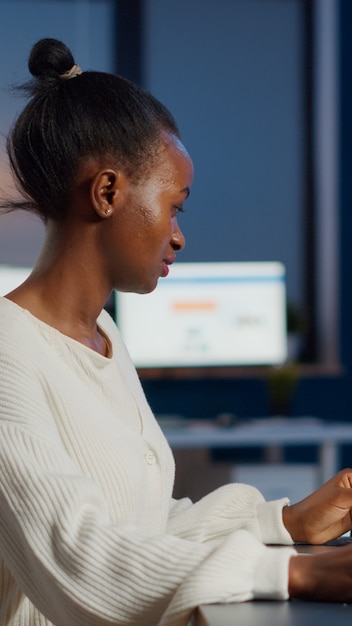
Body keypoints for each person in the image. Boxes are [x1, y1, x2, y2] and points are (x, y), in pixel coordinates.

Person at [1, 37, 352, 626]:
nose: (179, 236)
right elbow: (81, 555)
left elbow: (140, 529)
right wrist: (296, 571)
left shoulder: (103, 338)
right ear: (108, 192)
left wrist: (283, 523)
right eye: (176, 206)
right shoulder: (8, 353)